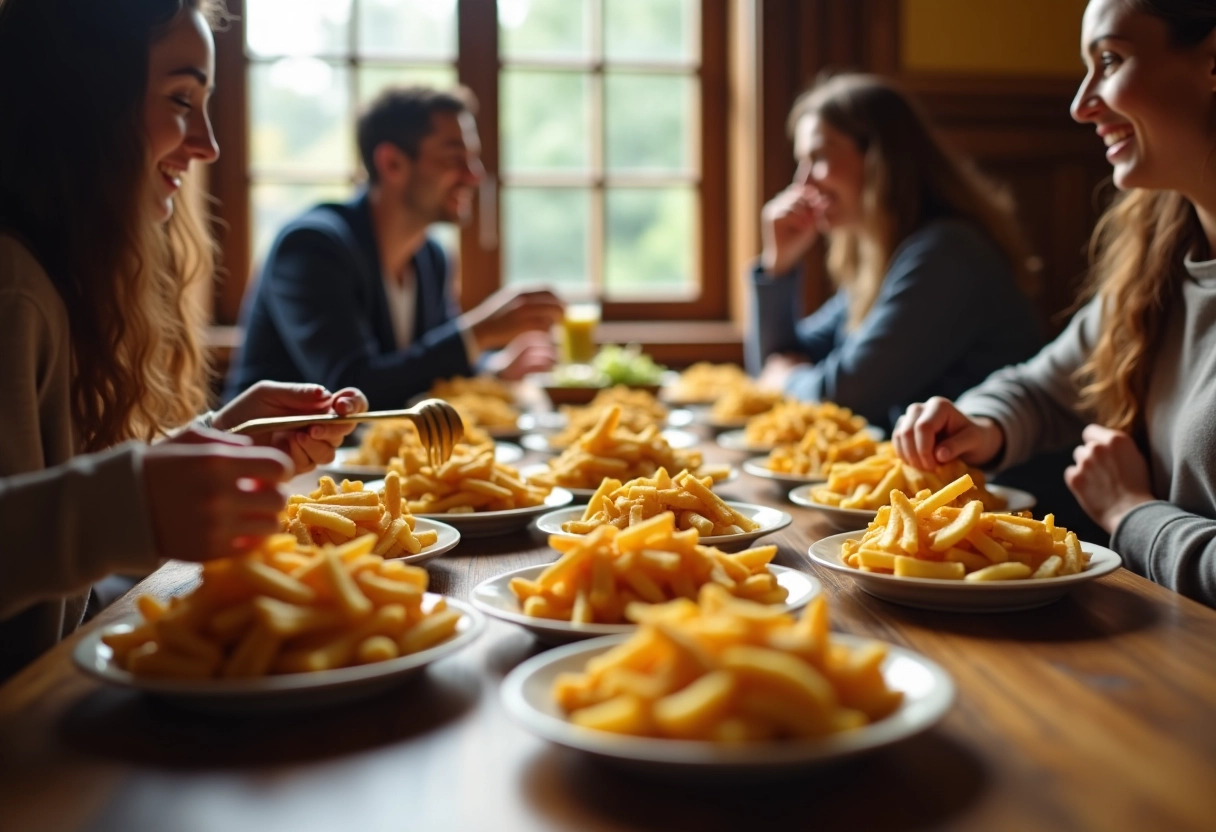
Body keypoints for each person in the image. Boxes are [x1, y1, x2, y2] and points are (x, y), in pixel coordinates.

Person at [0, 0, 367, 678]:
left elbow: (64, 591)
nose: (208, 144)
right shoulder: (12, 288)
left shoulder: (54, 278)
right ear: (83, 103)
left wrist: (222, 437)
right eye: (180, 98)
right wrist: (125, 504)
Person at [893, 0, 1216, 607]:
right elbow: (1042, 390)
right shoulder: (1160, 256)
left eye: (1111, 60)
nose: (1080, 105)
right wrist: (980, 426)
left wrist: (1131, 512)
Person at [226, 85, 566, 410]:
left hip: (366, 465)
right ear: (392, 164)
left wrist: (497, 371)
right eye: (454, 159)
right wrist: (480, 331)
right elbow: (351, 389)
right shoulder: (312, 247)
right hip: (273, 462)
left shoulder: (431, 258)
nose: (474, 176)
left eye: (473, 159)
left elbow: (424, 371)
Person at [746, 73, 1043, 433]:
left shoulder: (947, 255)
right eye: (801, 162)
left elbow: (844, 397)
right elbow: (780, 361)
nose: (802, 183)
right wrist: (778, 268)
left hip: (985, 485)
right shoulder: (882, 252)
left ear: (880, 158)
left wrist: (787, 381)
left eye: (819, 157)